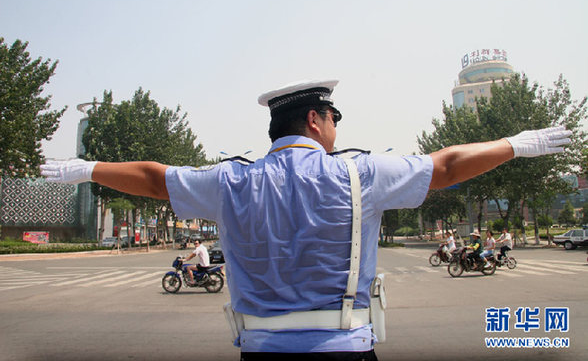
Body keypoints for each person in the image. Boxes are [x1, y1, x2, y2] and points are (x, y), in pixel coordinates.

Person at [41, 79, 571, 360]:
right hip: (347, 348)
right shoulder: (361, 174)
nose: (338, 127)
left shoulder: (231, 180)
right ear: (315, 120)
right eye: (334, 117)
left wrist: (87, 167)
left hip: (259, 352)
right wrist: (515, 146)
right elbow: (447, 167)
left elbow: (157, 179)